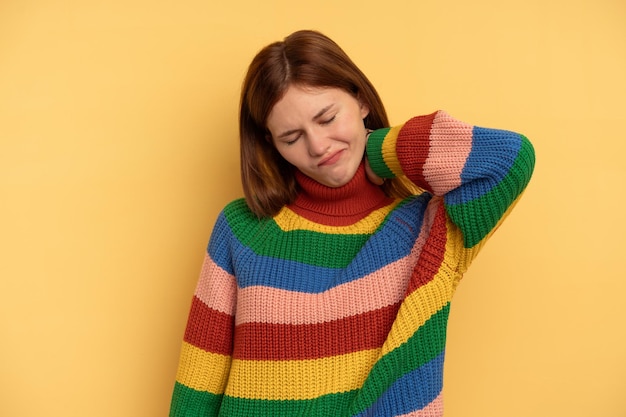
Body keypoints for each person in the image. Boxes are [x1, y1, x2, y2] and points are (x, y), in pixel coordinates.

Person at [169, 29, 535, 417]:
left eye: (327, 118)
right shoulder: (242, 229)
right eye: (292, 137)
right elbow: (198, 380)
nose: (319, 146)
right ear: (270, 144)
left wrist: (379, 151)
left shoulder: (427, 230)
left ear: (360, 98)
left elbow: (509, 160)